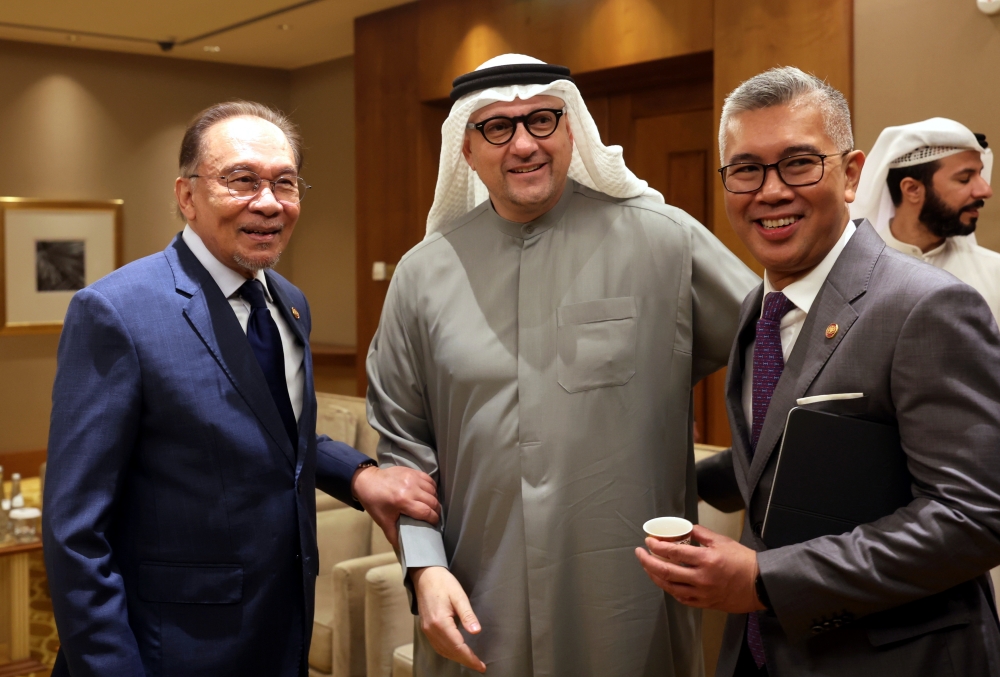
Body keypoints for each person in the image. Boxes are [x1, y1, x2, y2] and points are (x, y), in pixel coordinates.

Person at [366, 54, 758, 677]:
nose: (524, 144)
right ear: (466, 149)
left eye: (543, 120)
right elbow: (403, 446)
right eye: (498, 127)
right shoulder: (422, 274)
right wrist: (424, 566)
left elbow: (784, 361)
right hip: (476, 596)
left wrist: (729, 478)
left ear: (572, 128)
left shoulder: (666, 242)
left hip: (626, 597)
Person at [43, 101, 440, 677]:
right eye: (242, 180)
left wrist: (360, 474)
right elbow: (75, 533)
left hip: (279, 632)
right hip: (168, 651)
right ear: (187, 196)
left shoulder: (288, 301)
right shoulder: (116, 313)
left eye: (285, 182)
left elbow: (273, 431)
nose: (269, 202)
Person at [636, 67, 1000, 676]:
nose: (770, 191)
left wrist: (765, 581)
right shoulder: (761, 305)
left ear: (853, 173)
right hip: (762, 654)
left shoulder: (925, 306)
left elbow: (974, 517)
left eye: (800, 163)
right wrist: (662, 474)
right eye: (746, 169)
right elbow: (788, 450)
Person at [850, 117, 1000, 319]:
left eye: (980, 175)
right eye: (964, 179)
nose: (986, 190)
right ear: (912, 189)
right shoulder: (854, 274)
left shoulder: (994, 273)